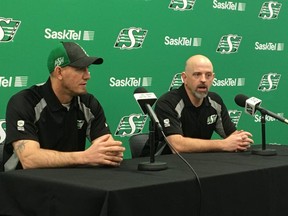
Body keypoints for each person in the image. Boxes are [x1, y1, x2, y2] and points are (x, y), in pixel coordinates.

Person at [3, 42, 125, 171]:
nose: (88, 76)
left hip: (69, 184)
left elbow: (108, 151)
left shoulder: (88, 103)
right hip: (23, 185)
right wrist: (85, 157)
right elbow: (29, 160)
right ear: (59, 72)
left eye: (88, 68)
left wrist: (112, 153)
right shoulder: (24, 102)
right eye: (80, 69)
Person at [143, 54, 254, 156]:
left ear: (213, 78)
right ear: (184, 78)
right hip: (162, 166)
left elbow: (231, 136)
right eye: (197, 74)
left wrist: (240, 140)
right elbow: (177, 146)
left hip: (199, 164)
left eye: (208, 75)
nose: (203, 80)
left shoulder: (215, 101)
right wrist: (223, 144)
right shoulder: (168, 102)